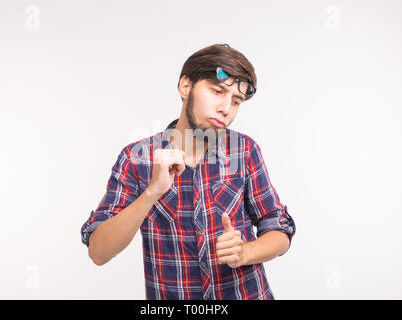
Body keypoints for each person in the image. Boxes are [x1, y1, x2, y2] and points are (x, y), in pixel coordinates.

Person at [80, 43, 296, 300]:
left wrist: (244, 253)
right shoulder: (136, 158)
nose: (226, 108)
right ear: (185, 86)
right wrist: (152, 192)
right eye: (217, 91)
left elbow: (279, 229)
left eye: (235, 101)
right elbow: (99, 252)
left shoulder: (244, 151)